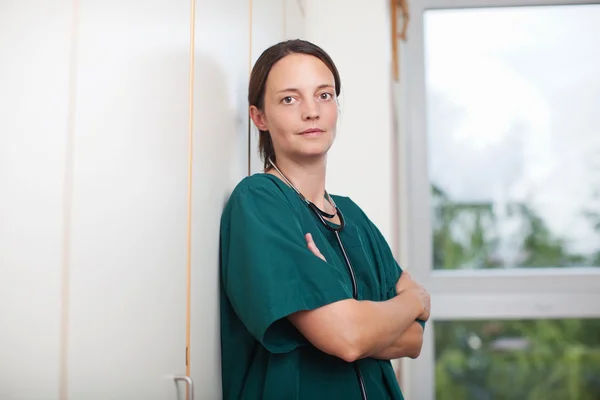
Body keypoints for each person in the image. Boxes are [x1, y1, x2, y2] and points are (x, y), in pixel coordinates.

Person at [219, 39, 431, 400]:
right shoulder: (259, 202)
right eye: (290, 98)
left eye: (324, 95)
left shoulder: (354, 218)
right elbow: (348, 339)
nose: (311, 112)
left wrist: (359, 322)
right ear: (260, 117)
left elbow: (412, 340)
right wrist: (414, 301)